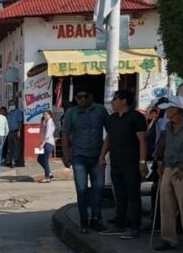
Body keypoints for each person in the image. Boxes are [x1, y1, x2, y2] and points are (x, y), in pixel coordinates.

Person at [98, 89, 148, 239]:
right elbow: (108, 139)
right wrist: (102, 156)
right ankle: (119, 224)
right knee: (120, 196)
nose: (113, 102)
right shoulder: (112, 118)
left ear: (124, 101)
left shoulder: (136, 117)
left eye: (115, 99)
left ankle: (134, 226)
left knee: (133, 195)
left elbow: (142, 141)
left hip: (132, 163)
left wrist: (142, 161)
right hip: (116, 162)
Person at [153, 96, 183, 252]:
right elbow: (168, 148)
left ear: (177, 109)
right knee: (166, 205)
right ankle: (168, 238)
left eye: (169, 109)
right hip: (168, 167)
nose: (166, 111)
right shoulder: (168, 126)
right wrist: (162, 164)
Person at [61, 91, 109, 233]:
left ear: (91, 96)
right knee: (81, 190)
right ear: (75, 99)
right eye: (79, 97)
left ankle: (96, 219)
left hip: (97, 156)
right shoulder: (72, 112)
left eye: (85, 96)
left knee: (98, 189)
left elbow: (111, 130)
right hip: (78, 156)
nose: (82, 99)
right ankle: (84, 221)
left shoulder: (100, 110)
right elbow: (65, 133)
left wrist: (103, 153)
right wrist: (65, 155)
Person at [37, 110, 56, 182]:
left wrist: (42, 144)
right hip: (45, 143)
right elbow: (41, 132)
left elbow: (47, 135)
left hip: (48, 143)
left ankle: (47, 177)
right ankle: (49, 173)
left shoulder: (50, 122)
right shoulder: (45, 122)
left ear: (50, 115)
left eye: (46, 114)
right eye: (44, 114)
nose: (44, 116)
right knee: (39, 159)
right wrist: (42, 122)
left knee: (45, 160)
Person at [5, 101, 23, 167]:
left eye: (12, 104)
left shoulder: (18, 112)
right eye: (10, 105)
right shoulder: (9, 112)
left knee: (16, 147)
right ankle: (9, 160)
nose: (11, 106)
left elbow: (20, 122)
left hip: (16, 131)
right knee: (10, 147)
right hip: (9, 132)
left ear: (15, 105)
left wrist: (19, 131)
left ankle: (14, 161)